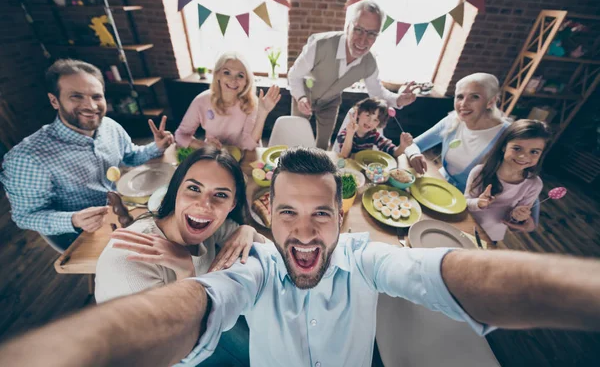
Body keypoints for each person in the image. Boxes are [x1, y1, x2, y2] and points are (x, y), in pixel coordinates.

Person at [11, 147, 600, 367]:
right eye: (288, 213)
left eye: (321, 213)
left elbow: (435, 273)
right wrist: (77, 351)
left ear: (342, 217)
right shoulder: (257, 262)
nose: (305, 232)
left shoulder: (367, 255)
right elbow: (203, 302)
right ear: (267, 213)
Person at [95, 146, 265, 367]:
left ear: (232, 204)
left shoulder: (212, 228)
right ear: (175, 190)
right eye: (194, 188)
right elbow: (173, 346)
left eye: (220, 195)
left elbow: (267, 250)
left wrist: (247, 231)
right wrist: (186, 272)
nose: (205, 205)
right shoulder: (127, 263)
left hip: (203, 323)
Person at [0, 59, 173, 251]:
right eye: (77, 96)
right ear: (54, 100)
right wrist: (73, 219)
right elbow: (25, 216)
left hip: (123, 209)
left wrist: (157, 147)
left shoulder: (110, 126)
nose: (91, 106)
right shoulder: (27, 157)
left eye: (97, 97)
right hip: (83, 233)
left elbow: (131, 156)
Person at [288, 0, 418, 150]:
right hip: (304, 94)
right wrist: (301, 97)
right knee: (295, 138)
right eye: (358, 30)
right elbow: (294, 75)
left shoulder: (370, 63)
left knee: (323, 145)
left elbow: (377, 93)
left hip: (330, 102)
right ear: (348, 26)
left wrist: (398, 100)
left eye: (371, 33)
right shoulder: (319, 44)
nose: (363, 40)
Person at [405, 72, 510, 192]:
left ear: (491, 102)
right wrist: (413, 154)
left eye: (475, 97)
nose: (464, 104)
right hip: (439, 184)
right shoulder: (451, 120)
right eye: (460, 96)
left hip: (474, 201)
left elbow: (520, 183)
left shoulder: (507, 134)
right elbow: (411, 144)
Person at [175, 51, 281, 151]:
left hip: (242, 156)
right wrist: (204, 146)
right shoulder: (201, 101)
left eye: (240, 75)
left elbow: (249, 146)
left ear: (246, 81)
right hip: (212, 155)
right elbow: (180, 134)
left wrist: (262, 114)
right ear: (217, 76)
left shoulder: (251, 103)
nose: (233, 80)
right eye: (227, 73)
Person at [465, 120, 551, 241]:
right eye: (517, 148)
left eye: (534, 152)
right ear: (504, 146)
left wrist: (517, 216)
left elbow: (512, 220)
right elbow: (465, 203)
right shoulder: (479, 172)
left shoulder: (534, 184)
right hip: (465, 227)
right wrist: (479, 203)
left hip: (491, 237)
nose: (523, 156)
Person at [335, 97, 413, 158]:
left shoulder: (374, 135)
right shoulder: (346, 133)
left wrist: (402, 146)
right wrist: (350, 133)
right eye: (368, 115)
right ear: (358, 113)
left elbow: (393, 152)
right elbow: (344, 156)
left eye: (375, 120)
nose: (370, 122)